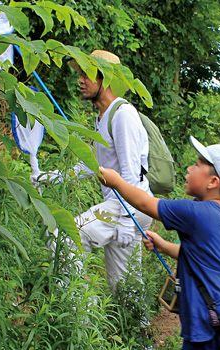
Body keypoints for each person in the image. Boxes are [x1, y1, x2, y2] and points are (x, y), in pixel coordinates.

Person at [98, 136, 220, 349]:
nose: (188, 168)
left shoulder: (196, 213)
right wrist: (164, 246)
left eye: (196, 164)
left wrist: (116, 182)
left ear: (213, 182)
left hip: (207, 320)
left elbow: (145, 203)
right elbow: (203, 256)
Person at [67, 50, 153, 292]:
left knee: (65, 239)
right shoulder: (102, 116)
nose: (81, 80)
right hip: (124, 205)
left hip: (129, 204)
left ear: (104, 77)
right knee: (124, 285)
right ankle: (138, 326)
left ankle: (82, 320)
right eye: (81, 74)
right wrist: (49, 178)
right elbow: (91, 165)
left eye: (87, 74)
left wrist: (126, 220)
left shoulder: (123, 114)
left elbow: (131, 172)